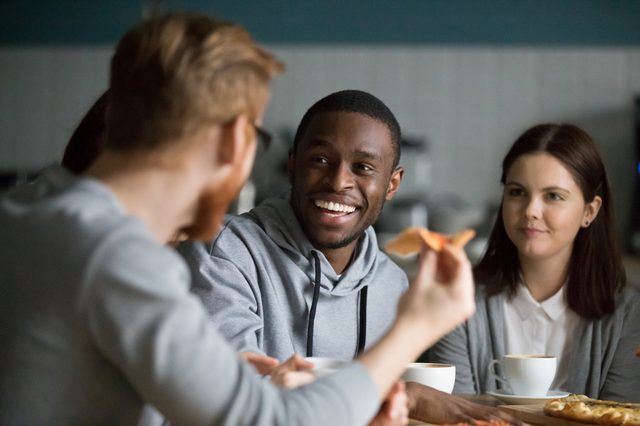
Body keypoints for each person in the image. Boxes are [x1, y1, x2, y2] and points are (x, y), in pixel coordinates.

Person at [0, 13, 476, 425]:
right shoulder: (117, 256)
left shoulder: (28, 211)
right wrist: (415, 328)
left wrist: (226, 381)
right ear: (234, 141)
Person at [178, 90, 516, 423]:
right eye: (320, 160)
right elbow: (231, 403)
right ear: (293, 163)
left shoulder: (392, 283)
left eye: (363, 167)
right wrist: (399, 393)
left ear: (392, 184)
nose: (339, 181)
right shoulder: (223, 250)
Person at [428, 123, 640, 402]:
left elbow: (619, 417)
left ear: (590, 211)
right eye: (517, 192)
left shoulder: (628, 315)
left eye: (553, 196)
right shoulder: (457, 300)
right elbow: (454, 415)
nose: (530, 211)